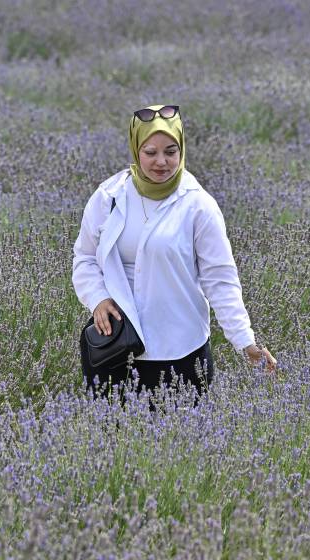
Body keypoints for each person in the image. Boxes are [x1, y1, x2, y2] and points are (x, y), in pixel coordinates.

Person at [72, 104, 276, 403]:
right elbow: (85, 258)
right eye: (150, 152)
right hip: (116, 350)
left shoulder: (197, 205)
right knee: (114, 445)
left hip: (180, 352)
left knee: (184, 444)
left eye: (171, 151)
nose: (161, 162)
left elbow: (220, 280)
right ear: (135, 150)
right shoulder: (108, 196)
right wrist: (97, 298)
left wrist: (246, 342)